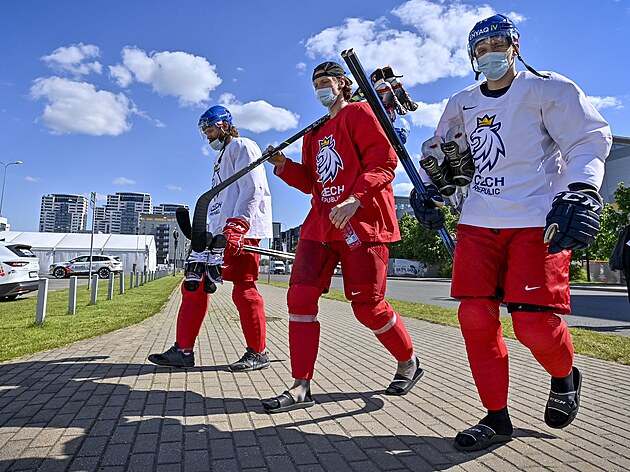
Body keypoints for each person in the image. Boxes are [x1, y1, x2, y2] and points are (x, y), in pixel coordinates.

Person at [410, 14, 612, 452]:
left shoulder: (549, 89)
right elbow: (441, 153)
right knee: (474, 318)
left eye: (497, 44)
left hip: (538, 217)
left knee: (532, 323)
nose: (490, 54)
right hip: (479, 220)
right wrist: (426, 193)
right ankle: (496, 419)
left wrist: (581, 190)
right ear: (472, 58)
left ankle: (565, 375)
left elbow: (588, 138)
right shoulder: (461, 102)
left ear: (515, 45)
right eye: (481, 49)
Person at [260, 61, 424, 414]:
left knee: (368, 308)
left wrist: (354, 198)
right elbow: (312, 182)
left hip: (361, 223)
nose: (320, 88)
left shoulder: (360, 113)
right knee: (300, 297)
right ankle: (300, 385)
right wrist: (282, 165)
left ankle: (408, 361)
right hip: (321, 224)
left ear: (342, 83)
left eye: (325, 81)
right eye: (315, 83)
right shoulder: (313, 132)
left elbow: (383, 163)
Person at [148, 105, 273, 372]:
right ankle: (183, 350)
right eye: (205, 131)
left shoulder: (242, 146)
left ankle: (259, 352)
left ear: (224, 125)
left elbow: (254, 187)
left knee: (244, 289)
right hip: (218, 234)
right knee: (194, 285)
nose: (208, 136)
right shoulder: (221, 157)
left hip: (241, 231)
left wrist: (238, 225)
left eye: (210, 129)